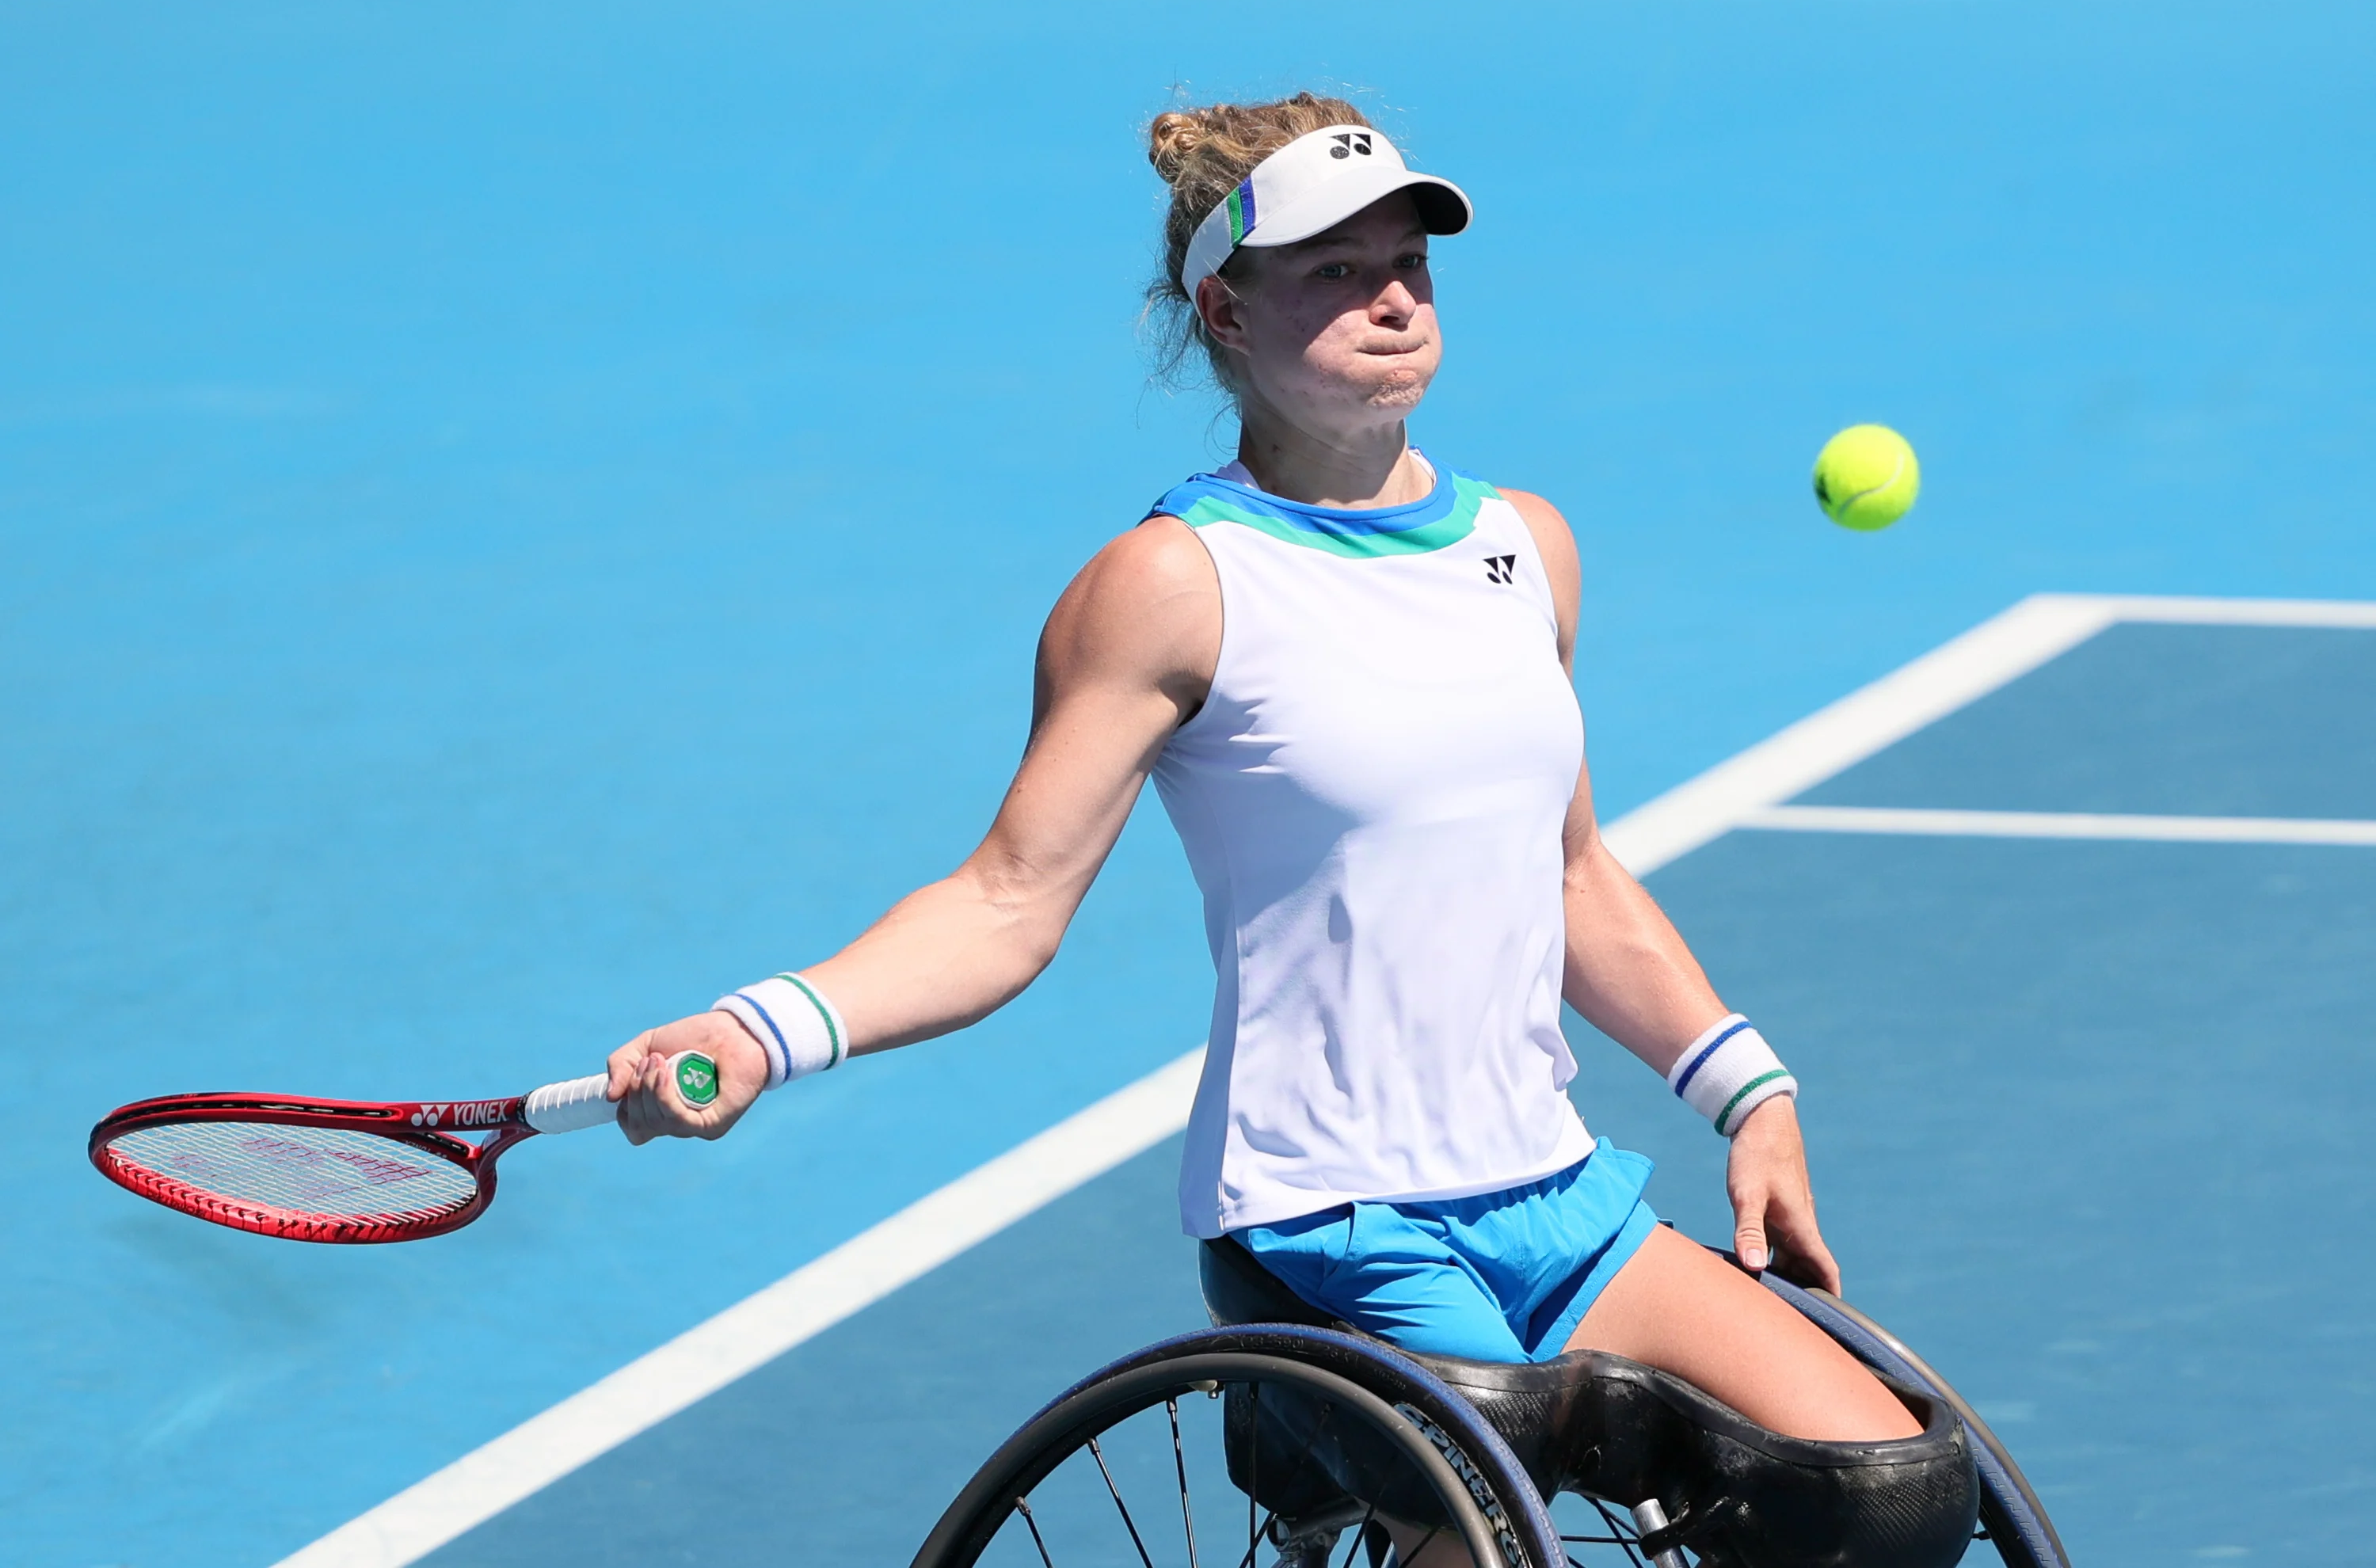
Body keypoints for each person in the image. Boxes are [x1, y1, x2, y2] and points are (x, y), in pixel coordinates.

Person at [607, 89, 1921, 1523]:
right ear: (1227, 315)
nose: (1393, 300)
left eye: (1409, 261)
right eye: (1334, 272)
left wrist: (1751, 1091)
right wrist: (761, 1027)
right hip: (1330, 1215)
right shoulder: (1176, 583)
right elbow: (1005, 901)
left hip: (1554, 1196)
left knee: (1888, 1491)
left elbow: (1574, 877)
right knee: (1492, 1512)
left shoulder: (1523, 548)